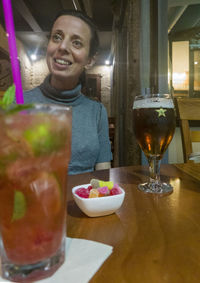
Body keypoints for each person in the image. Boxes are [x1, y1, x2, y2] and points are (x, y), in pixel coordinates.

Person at [22, 10, 112, 175]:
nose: (62, 47)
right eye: (57, 37)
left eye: (76, 42)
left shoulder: (97, 112)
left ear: (90, 60)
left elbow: (103, 176)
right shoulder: (16, 104)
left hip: (83, 199)